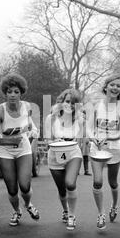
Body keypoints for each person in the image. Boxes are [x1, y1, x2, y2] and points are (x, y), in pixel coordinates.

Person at [0, 73, 40, 226]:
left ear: (21, 93)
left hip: (23, 147)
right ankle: (17, 211)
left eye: (16, 92)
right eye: (9, 91)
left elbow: (30, 123)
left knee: (24, 185)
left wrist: (34, 130)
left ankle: (28, 204)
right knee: (12, 189)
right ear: (5, 92)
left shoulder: (27, 106)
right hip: (5, 149)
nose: (12, 95)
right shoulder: (0, 109)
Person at [85, 75, 120, 229]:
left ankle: (114, 206)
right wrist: (93, 138)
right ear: (106, 87)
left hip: (114, 149)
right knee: (98, 181)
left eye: (118, 86)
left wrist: (109, 137)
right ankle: (101, 214)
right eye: (112, 85)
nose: (115, 88)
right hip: (97, 148)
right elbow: (89, 128)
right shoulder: (95, 105)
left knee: (113, 182)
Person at [44, 89, 83, 230]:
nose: (70, 105)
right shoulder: (51, 118)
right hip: (55, 155)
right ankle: (66, 211)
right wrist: (55, 140)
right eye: (67, 101)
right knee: (62, 190)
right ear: (61, 101)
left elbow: (81, 138)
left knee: (70, 184)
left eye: (73, 103)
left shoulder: (79, 118)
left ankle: (72, 216)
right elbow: (47, 138)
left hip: (73, 153)